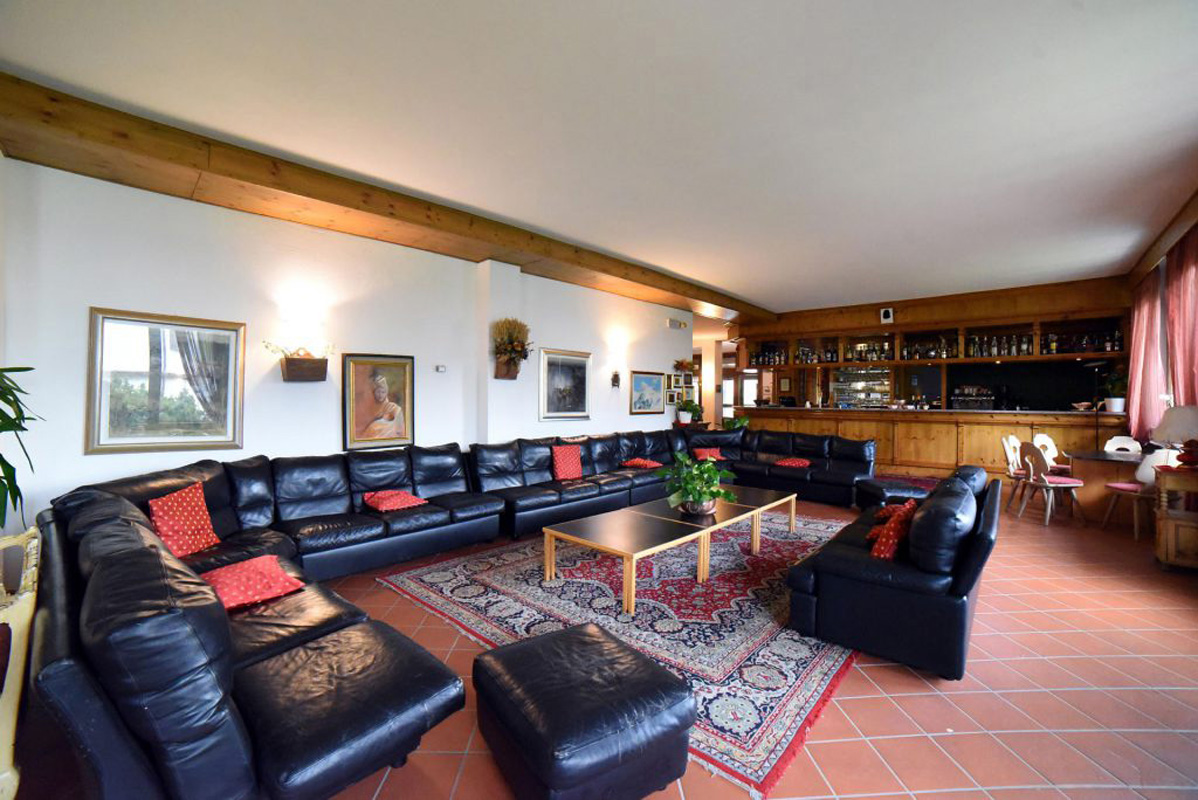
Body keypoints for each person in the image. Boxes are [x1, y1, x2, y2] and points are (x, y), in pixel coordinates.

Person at [353, 365, 405, 440]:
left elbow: (399, 429)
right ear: (374, 392)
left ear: (386, 393)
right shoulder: (367, 408)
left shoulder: (394, 408)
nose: (380, 395)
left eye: (383, 392)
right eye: (378, 392)